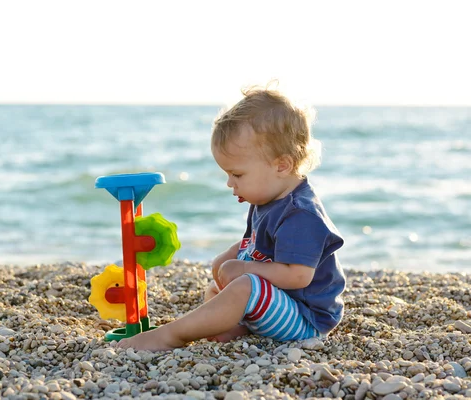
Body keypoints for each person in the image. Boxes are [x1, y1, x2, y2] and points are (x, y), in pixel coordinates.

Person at [117, 82, 345, 351]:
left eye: (237, 174)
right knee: (218, 292)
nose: (230, 183)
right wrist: (231, 256)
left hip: (306, 319)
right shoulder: (269, 199)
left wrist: (246, 268)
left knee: (244, 287)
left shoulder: (300, 214)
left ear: (281, 165)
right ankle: (234, 328)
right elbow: (259, 244)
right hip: (280, 305)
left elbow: (298, 276)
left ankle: (172, 335)